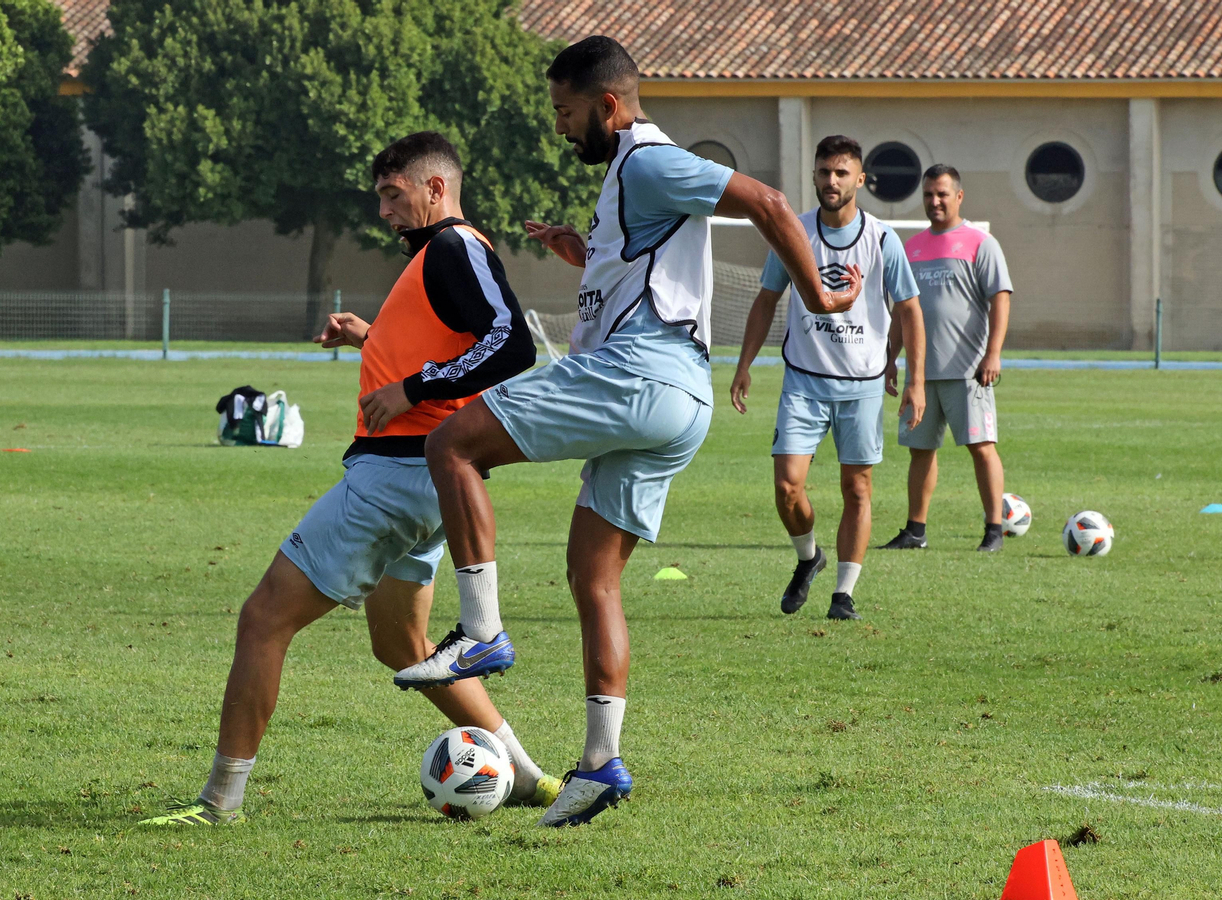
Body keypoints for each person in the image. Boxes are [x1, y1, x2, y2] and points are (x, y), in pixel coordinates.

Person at [392, 37, 860, 828]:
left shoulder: (645, 158)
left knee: (452, 444)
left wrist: (818, 295)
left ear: (608, 105)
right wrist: (586, 252)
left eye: (566, 113)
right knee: (593, 577)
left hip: (640, 373)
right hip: (676, 397)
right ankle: (601, 762)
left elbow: (772, 205)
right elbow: (645, 267)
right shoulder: (626, 178)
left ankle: (480, 634)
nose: (560, 129)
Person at [140, 132, 558, 826]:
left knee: (263, 619)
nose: (385, 211)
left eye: (394, 195)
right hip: (422, 482)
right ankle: (525, 775)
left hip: (397, 477)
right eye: (380, 198)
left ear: (435, 187)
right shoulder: (433, 256)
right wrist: (373, 340)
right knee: (399, 645)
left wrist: (413, 387)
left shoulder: (453, 245)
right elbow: (456, 343)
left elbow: (511, 342)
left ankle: (219, 803)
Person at [730, 135, 926, 622]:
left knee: (857, 490)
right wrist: (744, 364)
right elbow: (766, 300)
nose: (831, 181)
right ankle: (807, 557)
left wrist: (916, 379)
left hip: (861, 386)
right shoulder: (793, 232)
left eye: (842, 173)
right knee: (787, 486)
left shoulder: (883, 239)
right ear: (814, 176)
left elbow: (910, 310)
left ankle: (844, 594)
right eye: (824, 172)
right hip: (804, 381)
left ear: (860, 179)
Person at [879, 164, 1014, 552]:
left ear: (959, 196)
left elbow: (1000, 298)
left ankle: (993, 530)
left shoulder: (980, 243)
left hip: (968, 371)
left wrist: (993, 354)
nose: (934, 201)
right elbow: (903, 311)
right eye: (928, 195)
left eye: (942, 194)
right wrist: (892, 358)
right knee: (920, 451)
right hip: (920, 375)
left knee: (981, 446)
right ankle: (915, 531)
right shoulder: (912, 247)